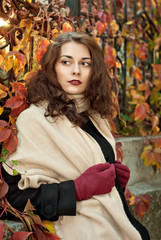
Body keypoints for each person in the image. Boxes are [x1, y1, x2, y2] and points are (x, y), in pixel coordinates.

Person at [2, 32, 150, 240]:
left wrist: (115, 183)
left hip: (114, 226)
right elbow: (14, 198)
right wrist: (77, 189)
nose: (76, 70)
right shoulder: (34, 120)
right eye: (66, 62)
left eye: (85, 63)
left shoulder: (95, 117)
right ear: (53, 67)